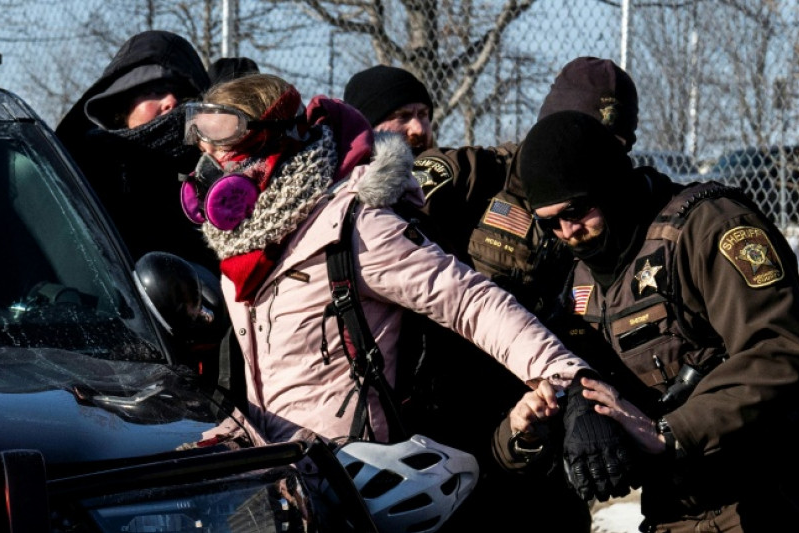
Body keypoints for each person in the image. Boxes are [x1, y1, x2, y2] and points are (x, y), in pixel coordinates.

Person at [178, 73, 637, 529]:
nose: (210, 174)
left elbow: (472, 303)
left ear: (271, 152)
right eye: (206, 158)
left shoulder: (354, 226)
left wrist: (571, 380)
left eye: (222, 157)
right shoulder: (244, 247)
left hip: (355, 493)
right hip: (283, 490)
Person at [500, 109, 799, 532]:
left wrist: (671, 432)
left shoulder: (709, 228)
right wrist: (554, 420)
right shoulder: (580, 276)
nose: (568, 231)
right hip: (685, 503)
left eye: (576, 210)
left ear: (609, 183)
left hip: (785, 491)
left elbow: (783, 353)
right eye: (549, 221)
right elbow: (569, 373)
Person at [56, 30, 218, 272]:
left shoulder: (217, 173)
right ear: (122, 103)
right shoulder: (83, 174)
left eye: (182, 94)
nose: (170, 102)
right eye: (154, 90)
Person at [343, 64, 435, 155]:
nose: (419, 129)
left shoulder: (446, 165)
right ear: (369, 128)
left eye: (422, 114)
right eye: (403, 116)